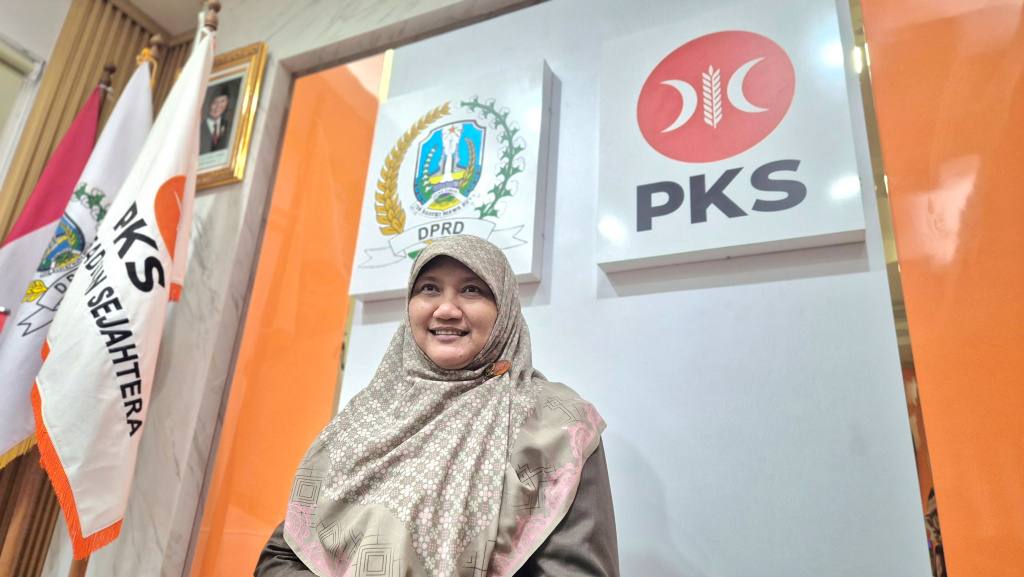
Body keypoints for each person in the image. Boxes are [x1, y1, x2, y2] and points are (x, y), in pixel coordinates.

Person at [255, 235, 618, 577]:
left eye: (472, 290)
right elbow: (282, 557)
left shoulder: (555, 424)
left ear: (504, 309)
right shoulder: (367, 415)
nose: (446, 309)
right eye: (429, 288)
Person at [199, 83, 232, 153]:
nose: (218, 106)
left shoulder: (230, 126)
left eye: (222, 101)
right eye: (214, 102)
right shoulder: (199, 129)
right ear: (208, 104)